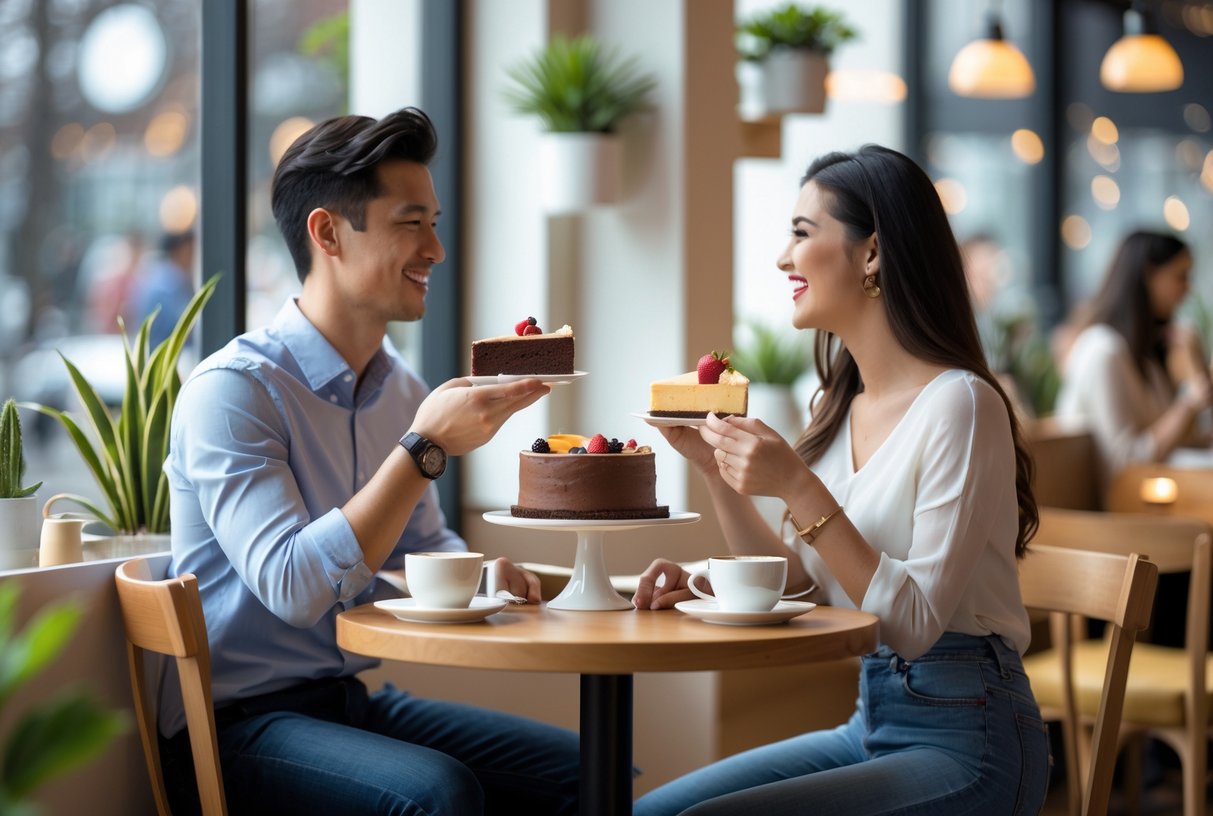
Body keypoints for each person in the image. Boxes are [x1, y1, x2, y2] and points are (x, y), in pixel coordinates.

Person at [159, 107, 579, 815]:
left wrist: (481, 573)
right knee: (438, 795)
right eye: (411, 224)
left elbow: (422, 546)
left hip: (349, 702)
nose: (435, 250)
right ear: (327, 233)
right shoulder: (233, 392)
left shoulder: (402, 391)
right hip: (240, 727)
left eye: (435, 223)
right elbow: (291, 587)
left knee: (586, 767)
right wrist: (421, 450)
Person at [631, 145, 1048, 815]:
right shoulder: (837, 407)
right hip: (871, 720)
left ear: (872, 252)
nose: (781, 259)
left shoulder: (961, 405)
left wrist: (798, 488)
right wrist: (715, 472)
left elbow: (910, 626)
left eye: (800, 233)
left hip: (970, 739)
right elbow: (798, 585)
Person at [1054, 231, 1212, 489]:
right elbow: (1123, 466)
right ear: (1148, 275)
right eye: (1180, 276)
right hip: (1118, 515)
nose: (1188, 289)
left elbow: (1174, 442)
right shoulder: (1103, 351)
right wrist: (1188, 403)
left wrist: (1196, 360)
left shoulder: (1143, 358)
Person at [130, 228, 197, 349]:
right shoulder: (167, 286)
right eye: (192, 250)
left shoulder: (160, 278)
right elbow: (184, 329)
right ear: (181, 250)